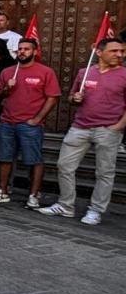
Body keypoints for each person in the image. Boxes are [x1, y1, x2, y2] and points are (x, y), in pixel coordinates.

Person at [38, 38, 126, 225]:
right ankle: (66, 205)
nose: (120, 55)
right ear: (100, 53)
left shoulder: (124, 74)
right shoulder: (84, 72)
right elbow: (71, 97)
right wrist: (75, 98)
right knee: (64, 166)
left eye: (122, 51)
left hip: (108, 129)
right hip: (80, 127)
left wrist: (118, 126)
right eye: (114, 51)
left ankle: (96, 210)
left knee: (105, 172)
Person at [0, 39, 60, 206]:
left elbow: (53, 97)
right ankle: (2, 191)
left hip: (30, 124)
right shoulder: (8, 72)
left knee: (34, 160)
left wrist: (37, 119)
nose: (22, 52)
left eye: (26, 49)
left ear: (34, 52)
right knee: (4, 158)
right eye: (20, 49)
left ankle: (34, 194)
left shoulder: (45, 72)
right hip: (7, 121)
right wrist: (7, 88)